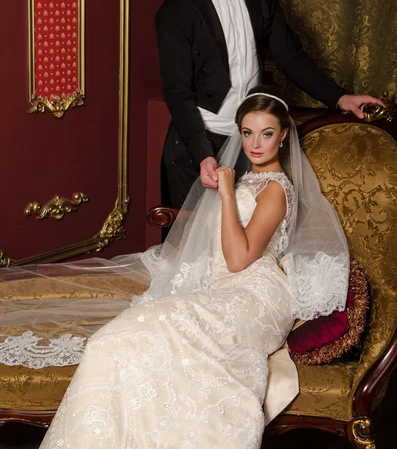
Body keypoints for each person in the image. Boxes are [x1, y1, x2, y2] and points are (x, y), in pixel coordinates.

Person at [0, 88, 350, 448]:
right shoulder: (246, 180)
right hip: (223, 286)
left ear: (284, 135)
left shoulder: (275, 188)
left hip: (255, 292)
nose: (255, 144)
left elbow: (238, 259)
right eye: (247, 133)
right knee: (113, 344)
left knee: (138, 336)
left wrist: (227, 194)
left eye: (266, 133)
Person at [156, 0, 385, 208]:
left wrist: (340, 97)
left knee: (252, 245)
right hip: (198, 144)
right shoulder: (175, 8)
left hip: (253, 139)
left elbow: (289, 55)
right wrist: (204, 155)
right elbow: (177, 92)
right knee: (194, 255)